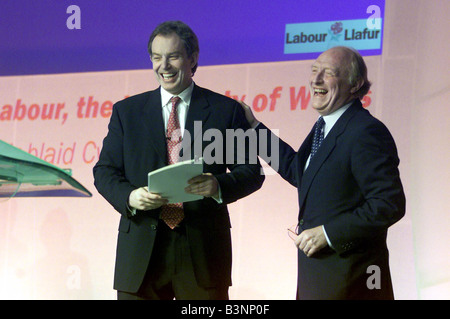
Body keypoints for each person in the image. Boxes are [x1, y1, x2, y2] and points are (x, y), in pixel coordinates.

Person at [93, 20, 264, 300]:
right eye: (157, 58)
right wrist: (130, 197)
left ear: (192, 58)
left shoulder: (224, 110)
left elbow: (252, 172)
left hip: (202, 250)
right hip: (141, 251)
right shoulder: (127, 112)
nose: (164, 66)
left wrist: (217, 185)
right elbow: (105, 171)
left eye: (172, 56)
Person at [240, 46, 405, 299]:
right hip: (321, 280)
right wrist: (253, 126)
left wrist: (328, 233)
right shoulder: (325, 126)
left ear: (355, 83)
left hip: (352, 282)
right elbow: (300, 172)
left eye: (327, 73)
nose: (315, 79)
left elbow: (389, 203)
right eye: (314, 70)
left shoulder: (365, 132)